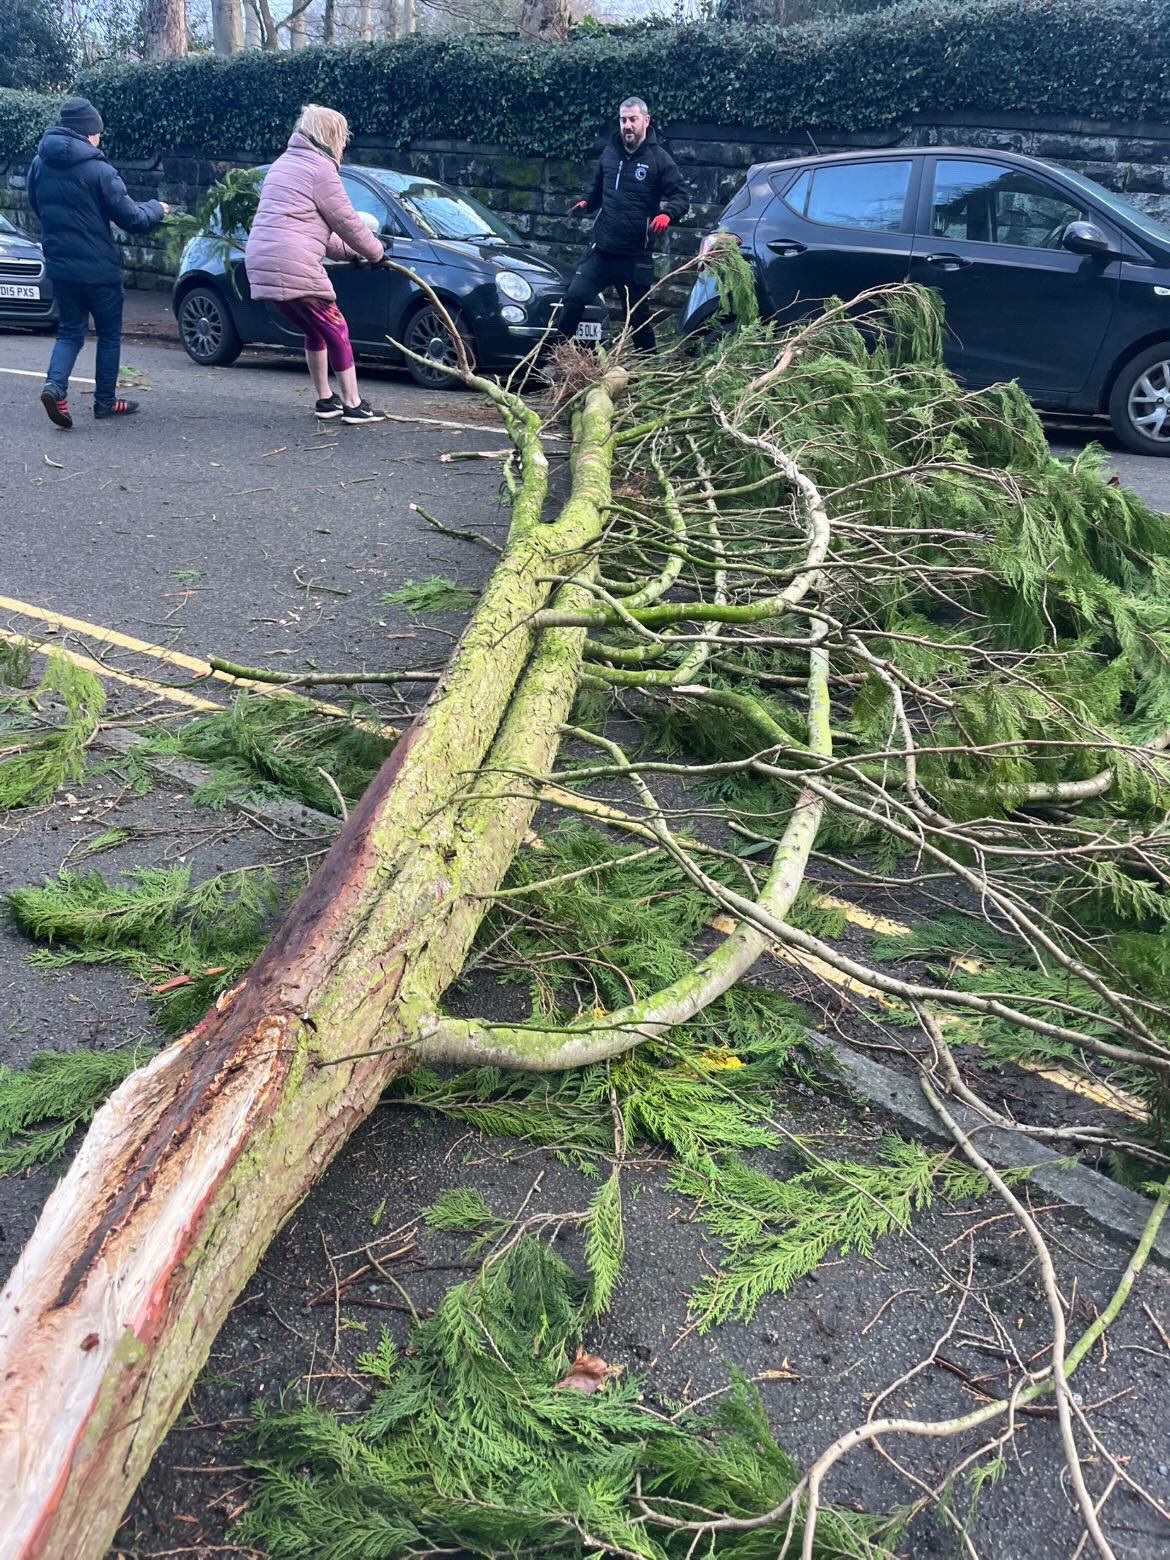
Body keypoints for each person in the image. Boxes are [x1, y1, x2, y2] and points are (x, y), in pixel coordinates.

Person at [30, 97, 169, 429]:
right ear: (88, 132)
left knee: (70, 332)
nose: (100, 138)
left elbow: (37, 207)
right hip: (99, 270)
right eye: (98, 132)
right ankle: (105, 402)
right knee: (108, 335)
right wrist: (157, 208)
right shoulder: (99, 170)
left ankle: (55, 386)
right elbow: (132, 219)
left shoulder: (38, 164)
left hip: (61, 266)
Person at [244, 104, 387, 425]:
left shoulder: (284, 164)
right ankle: (353, 403)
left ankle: (326, 400)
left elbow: (313, 232)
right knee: (337, 327)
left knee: (315, 329)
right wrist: (376, 252)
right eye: (342, 139)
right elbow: (346, 220)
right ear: (332, 136)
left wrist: (352, 255)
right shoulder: (320, 168)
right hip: (292, 263)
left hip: (262, 260)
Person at [557, 96, 690, 354]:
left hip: (634, 256)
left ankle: (647, 371)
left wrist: (667, 214)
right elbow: (596, 192)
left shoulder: (659, 159)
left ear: (645, 121)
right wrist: (586, 203)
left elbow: (681, 197)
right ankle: (556, 359)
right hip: (602, 251)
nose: (627, 126)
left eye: (633, 120)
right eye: (623, 120)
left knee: (639, 320)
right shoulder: (609, 153)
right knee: (574, 299)